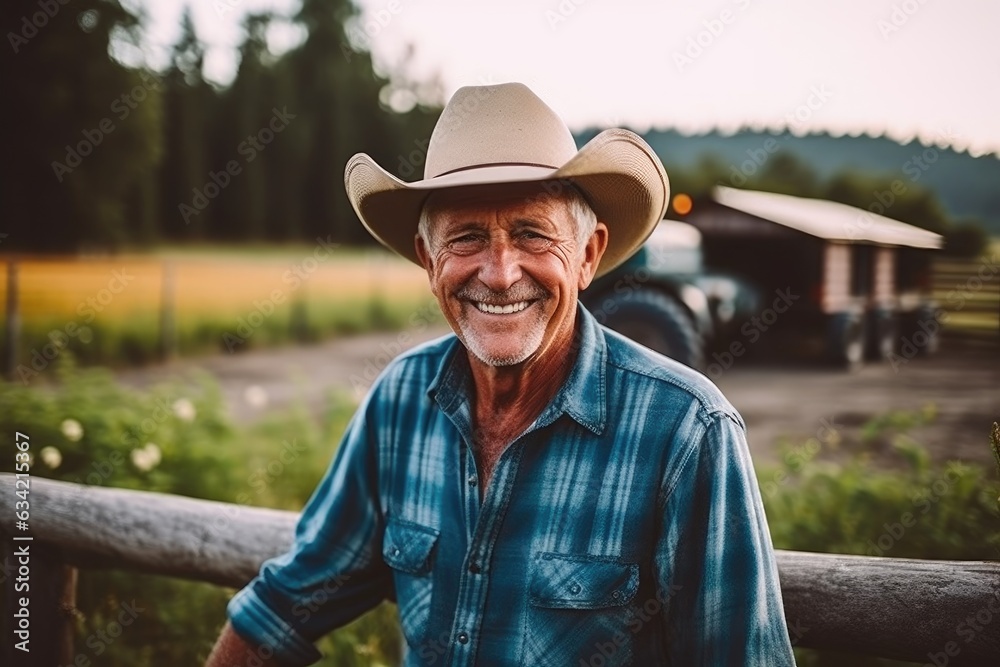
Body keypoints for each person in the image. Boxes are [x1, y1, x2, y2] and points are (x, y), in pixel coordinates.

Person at [206, 82, 795, 666]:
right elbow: (284, 608)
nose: (499, 272)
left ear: (588, 255)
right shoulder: (400, 401)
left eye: (531, 234)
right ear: (427, 258)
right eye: (466, 237)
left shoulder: (687, 431)